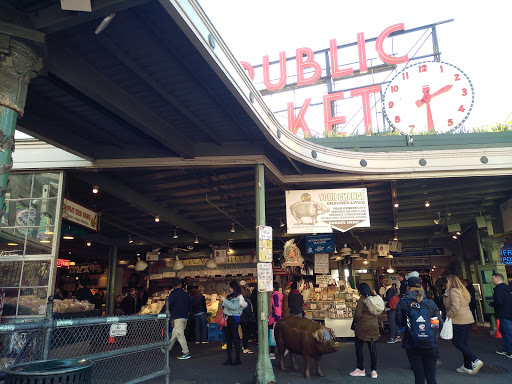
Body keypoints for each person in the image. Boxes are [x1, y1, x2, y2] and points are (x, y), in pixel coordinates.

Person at [396, 276, 442, 384]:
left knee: (419, 376)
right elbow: (438, 323)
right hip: (430, 343)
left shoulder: (403, 302)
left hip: (412, 343)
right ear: (421, 287)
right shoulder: (430, 303)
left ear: (408, 288)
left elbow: (399, 322)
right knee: (431, 377)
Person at [443, 275, 483, 374]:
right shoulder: (463, 290)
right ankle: (467, 366)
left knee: (457, 342)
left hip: (459, 320)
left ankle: (475, 360)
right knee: (464, 343)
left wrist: (448, 316)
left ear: (450, 282)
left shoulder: (453, 291)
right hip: (468, 319)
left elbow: (455, 307)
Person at [350, 283, 384, 379]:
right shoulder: (376, 299)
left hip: (362, 326)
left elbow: (357, 314)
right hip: (373, 326)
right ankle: (374, 371)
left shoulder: (362, 300)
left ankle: (360, 369)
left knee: (359, 347)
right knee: (373, 349)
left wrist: (354, 323)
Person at [219, 280, 247, 366]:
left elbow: (234, 307)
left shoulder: (239, 297)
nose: (230, 289)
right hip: (228, 318)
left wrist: (224, 301)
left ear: (234, 288)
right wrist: (224, 303)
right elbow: (224, 306)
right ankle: (229, 359)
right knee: (228, 338)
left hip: (234, 318)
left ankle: (237, 359)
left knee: (235, 338)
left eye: (231, 287)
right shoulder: (229, 296)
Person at [167, 279, 191, 360]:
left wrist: (161, 313)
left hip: (177, 316)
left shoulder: (173, 294)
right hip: (185, 316)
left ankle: (186, 352)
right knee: (175, 333)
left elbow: (168, 304)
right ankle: (168, 348)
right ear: (180, 285)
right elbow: (190, 304)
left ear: (173, 286)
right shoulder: (185, 294)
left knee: (180, 334)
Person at [490, 273, 512, 358]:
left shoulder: (498, 289)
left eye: (493, 279)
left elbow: (499, 301)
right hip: (508, 312)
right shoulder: (507, 288)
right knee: (504, 331)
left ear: (498, 279)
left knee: (508, 332)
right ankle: (506, 350)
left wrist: (492, 303)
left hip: (502, 313)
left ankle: (509, 350)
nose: (492, 280)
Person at [382, 278, 400, 343]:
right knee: (394, 323)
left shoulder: (389, 290)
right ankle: (397, 336)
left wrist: (382, 298)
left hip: (391, 308)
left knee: (392, 323)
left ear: (384, 284)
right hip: (393, 308)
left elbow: (388, 298)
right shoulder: (392, 289)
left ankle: (392, 338)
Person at [268, 282, 283, 359]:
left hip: (273, 318)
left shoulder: (275, 295)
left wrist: (276, 319)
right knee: (274, 335)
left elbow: (276, 307)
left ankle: (272, 353)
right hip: (275, 317)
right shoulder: (276, 295)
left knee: (272, 335)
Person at [240, 288, 256, 354]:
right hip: (245, 319)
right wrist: (251, 316)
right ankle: (245, 347)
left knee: (244, 333)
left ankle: (244, 346)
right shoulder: (244, 300)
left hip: (241, 318)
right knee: (246, 333)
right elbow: (247, 309)